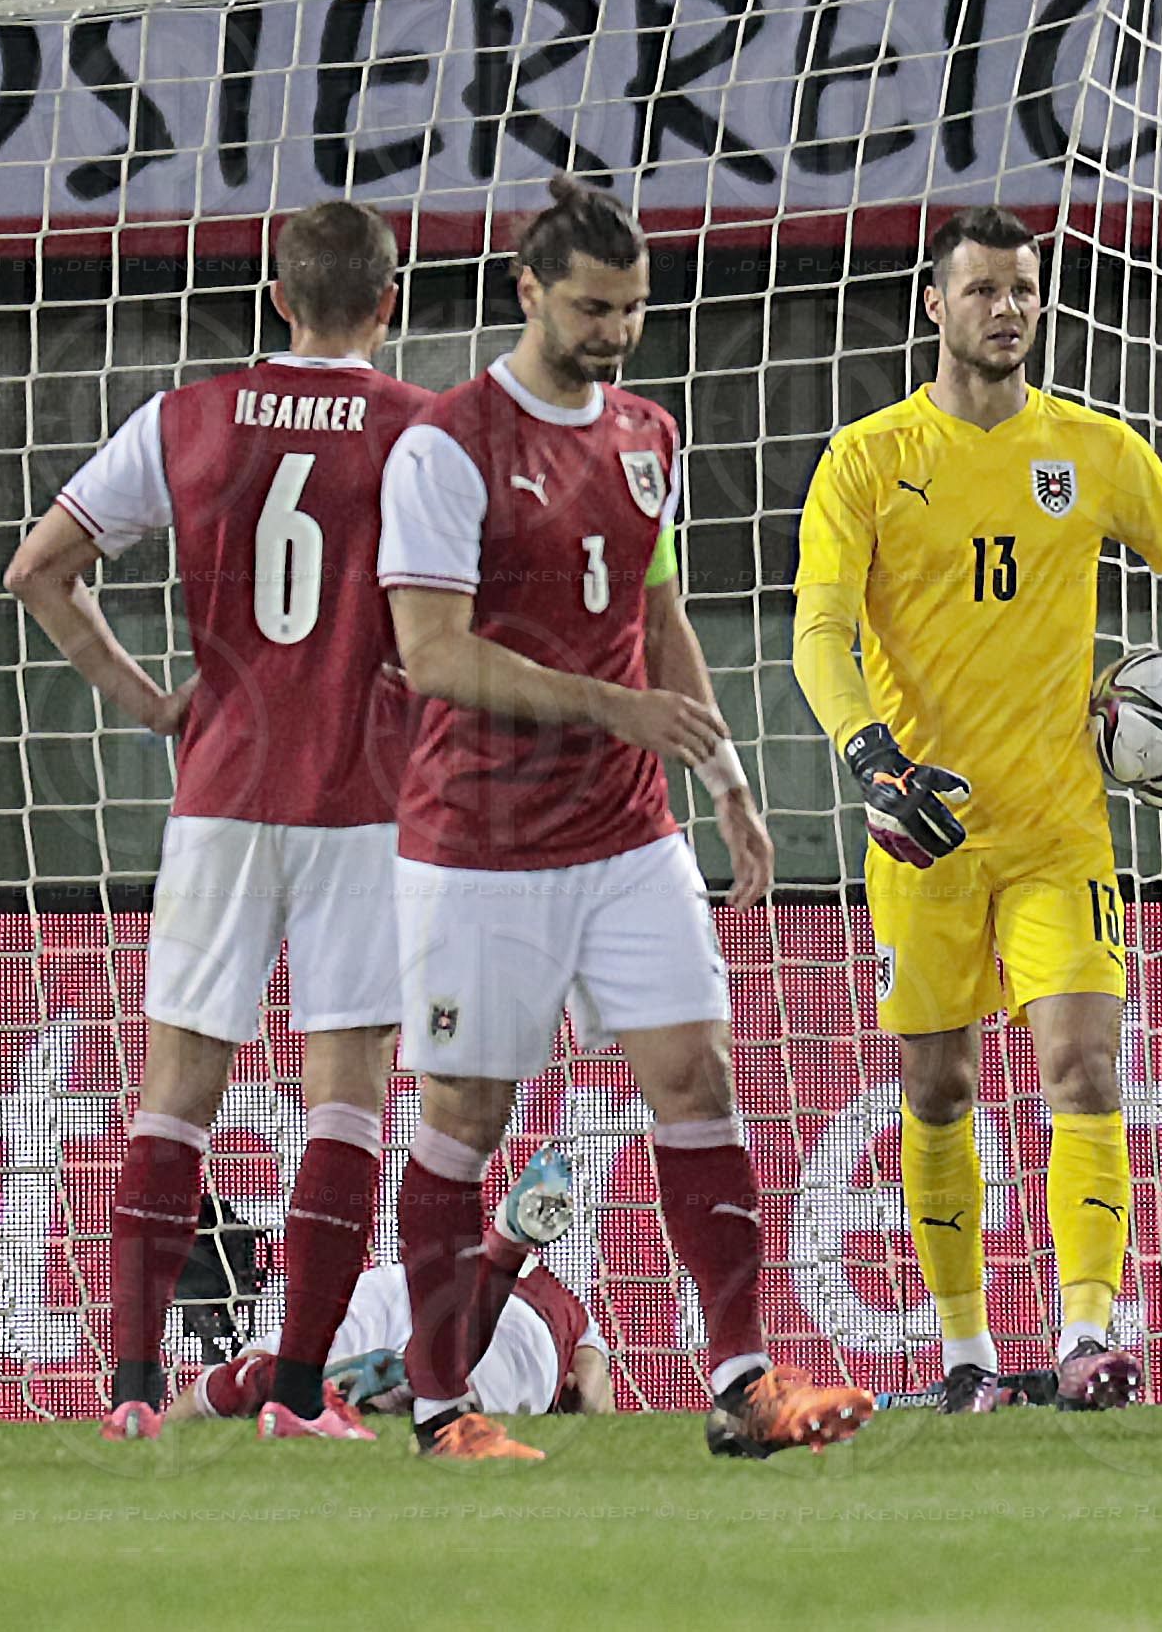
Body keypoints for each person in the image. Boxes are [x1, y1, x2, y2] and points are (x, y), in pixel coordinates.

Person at [378, 174, 874, 1463]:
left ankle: (744, 1380)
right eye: (592, 308)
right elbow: (432, 654)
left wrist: (726, 785)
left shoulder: (650, 434)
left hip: (629, 835)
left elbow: (660, 621)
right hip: (478, 845)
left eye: (633, 311)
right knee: (463, 1118)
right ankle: (441, 1408)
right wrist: (613, 707)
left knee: (697, 1079)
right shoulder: (447, 443)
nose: (612, 332)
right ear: (528, 289)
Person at [793, 205, 1162, 1414]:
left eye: (1024, 290)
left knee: (1084, 1067)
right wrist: (869, 755)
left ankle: (1088, 1334)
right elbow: (820, 632)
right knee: (940, 1087)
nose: (1009, 309)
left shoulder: (1095, 451)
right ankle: (961, 1353)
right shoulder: (867, 460)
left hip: (1062, 828)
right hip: (925, 828)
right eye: (985, 290)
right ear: (933, 305)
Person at [5, 201, 432, 1440]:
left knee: (176, 1090)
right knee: (347, 1093)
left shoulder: (186, 416)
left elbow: (38, 567)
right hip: (363, 797)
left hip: (222, 791)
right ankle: (298, 1390)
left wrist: (149, 701)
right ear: (388, 302)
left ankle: (136, 1385)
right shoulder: (422, 433)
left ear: (278, 294)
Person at [167, 1255, 615, 1427]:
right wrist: (586, 1402)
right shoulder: (561, 1305)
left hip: (390, 1289)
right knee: (473, 1406)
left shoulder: (377, 1286)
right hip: (524, 1315)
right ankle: (407, 1384)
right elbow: (595, 1396)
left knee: (263, 1377)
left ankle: (317, 1390)